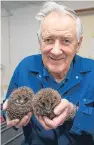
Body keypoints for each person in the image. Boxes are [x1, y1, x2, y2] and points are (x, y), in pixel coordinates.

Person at [3, 1, 94, 145]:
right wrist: (9, 113)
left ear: (79, 43)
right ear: (40, 42)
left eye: (66, 41)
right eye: (49, 40)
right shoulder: (25, 67)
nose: (56, 51)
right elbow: (7, 105)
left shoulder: (92, 71)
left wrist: (74, 113)